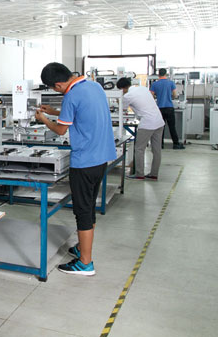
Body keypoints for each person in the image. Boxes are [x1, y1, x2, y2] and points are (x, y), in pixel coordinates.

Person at [36, 63, 116, 276]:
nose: (56, 91)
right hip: (101, 158)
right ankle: (82, 247)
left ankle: (85, 263)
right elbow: (82, 112)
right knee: (89, 207)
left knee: (83, 212)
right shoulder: (94, 86)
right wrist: (54, 112)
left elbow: (61, 130)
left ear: (58, 85)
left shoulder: (71, 96)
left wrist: (44, 119)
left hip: (84, 162)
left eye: (53, 88)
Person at [117, 78, 164, 180]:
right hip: (159, 121)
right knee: (157, 150)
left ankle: (139, 174)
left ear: (122, 89)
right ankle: (154, 174)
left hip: (147, 123)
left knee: (139, 149)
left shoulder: (128, 96)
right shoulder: (143, 88)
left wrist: (118, 100)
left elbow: (122, 109)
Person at [150, 68, 185, 149]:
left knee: (160, 127)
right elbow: (175, 95)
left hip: (160, 109)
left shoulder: (155, 84)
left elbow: (151, 95)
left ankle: (160, 144)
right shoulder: (171, 83)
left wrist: (157, 97)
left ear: (158, 75)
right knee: (172, 127)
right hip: (169, 107)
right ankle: (176, 144)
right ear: (166, 74)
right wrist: (171, 96)